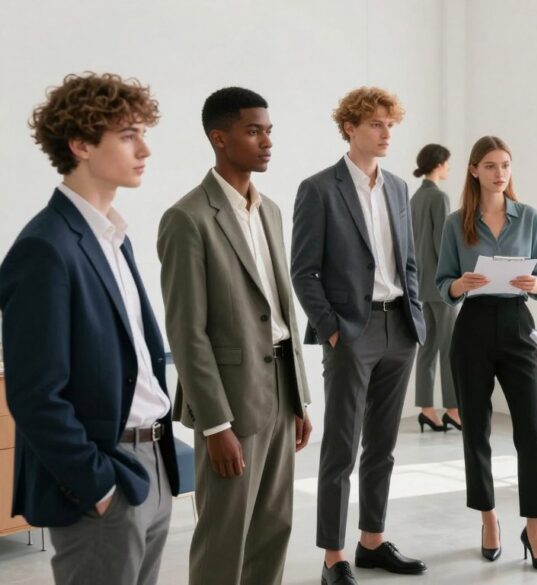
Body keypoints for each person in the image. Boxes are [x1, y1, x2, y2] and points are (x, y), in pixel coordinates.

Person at [0, 72, 179, 585]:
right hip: (106, 472)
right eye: (127, 136)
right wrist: (97, 486)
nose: (144, 148)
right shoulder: (46, 247)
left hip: (153, 462)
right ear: (80, 144)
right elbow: (36, 396)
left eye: (143, 133)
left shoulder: (112, 236)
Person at [157, 87, 313, 585]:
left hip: (281, 389)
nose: (267, 141)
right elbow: (187, 332)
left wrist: (300, 399)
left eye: (269, 130)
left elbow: (282, 310)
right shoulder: (188, 218)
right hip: (231, 400)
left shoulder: (269, 211)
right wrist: (214, 424)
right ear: (218, 138)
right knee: (225, 536)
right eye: (253, 130)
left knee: (274, 528)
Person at [291, 86, 427, 585]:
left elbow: (408, 262)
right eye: (376, 124)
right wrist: (332, 331)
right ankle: (334, 555)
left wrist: (415, 317)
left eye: (390, 124)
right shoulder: (319, 188)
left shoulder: (396, 187)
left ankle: (372, 540)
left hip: (400, 327)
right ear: (350, 128)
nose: (386, 132)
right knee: (341, 448)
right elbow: (303, 271)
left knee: (384, 446)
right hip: (352, 330)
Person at [435, 135, 537, 572]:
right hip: (473, 327)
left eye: (505, 164)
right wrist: (457, 286)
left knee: (530, 433)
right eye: (490, 165)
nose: (499, 172)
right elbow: (441, 282)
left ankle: (535, 528)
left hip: (518, 324)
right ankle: (489, 521)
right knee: (476, 430)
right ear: (474, 171)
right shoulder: (456, 223)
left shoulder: (530, 218)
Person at [410, 143, 461, 433]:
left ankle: (427, 409)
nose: (449, 168)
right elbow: (444, 243)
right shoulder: (439, 197)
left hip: (419, 285)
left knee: (427, 348)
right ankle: (453, 410)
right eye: (448, 163)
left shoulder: (416, 197)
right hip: (441, 286)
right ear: (439, 163)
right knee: (449, 348)